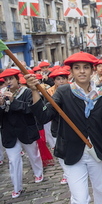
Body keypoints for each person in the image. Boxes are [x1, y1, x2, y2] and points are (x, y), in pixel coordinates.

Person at [25, 52, 102, 204]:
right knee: (80, 198)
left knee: (100, 190)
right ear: (71, 72)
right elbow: (44, 116)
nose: (82, 71)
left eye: (86, 67)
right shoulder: (63, 92)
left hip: (98, 151)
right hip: (72, 153)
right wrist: (34, 90)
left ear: (92, 70)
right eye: (77, 68)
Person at [0, 69, 44, 199]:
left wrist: (13, 101)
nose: (8, 82)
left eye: (11, 79)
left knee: (33, 154)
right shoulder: (2, 94)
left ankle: (38, 173)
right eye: (6, 80)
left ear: (17, 80)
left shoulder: (26, 92)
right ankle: (17, 187)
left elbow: (30, 110)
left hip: (26, 130)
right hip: (9, 133)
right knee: (13, 161)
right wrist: (1, 105)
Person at [47, 67, 71, 184]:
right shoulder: (48, 93)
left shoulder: (74, 89)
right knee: (61, 152)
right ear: (54, 81)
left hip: (72, 126)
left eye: (63, 78)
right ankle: (66, 173)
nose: (61, 81)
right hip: (57, 126)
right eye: (58, 79)